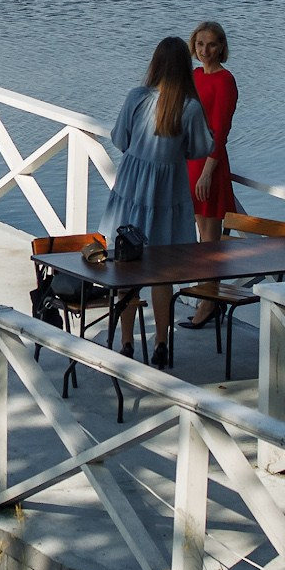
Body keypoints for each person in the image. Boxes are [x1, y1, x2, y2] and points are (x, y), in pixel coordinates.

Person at [98, 36, 214, 368]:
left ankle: (127, 342)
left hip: (133, 189)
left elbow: (120, 139)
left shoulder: (136, 97)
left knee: (127, 266)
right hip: (169, 193)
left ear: (156, 63)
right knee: (163, 271)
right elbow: (199, 149)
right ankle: (162, 343)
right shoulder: (189, 106)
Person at [180, 21, 241, 331]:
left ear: (222, 47)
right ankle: (204, 296)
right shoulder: (194, 76)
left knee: (209, 240)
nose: (205, 50)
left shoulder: (225, 81)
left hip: (209, 165)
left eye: (212, 45)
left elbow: (221, 129)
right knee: (195, 236)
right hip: (189, 160)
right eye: (200, 44)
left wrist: (207, 172)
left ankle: (209, 302)